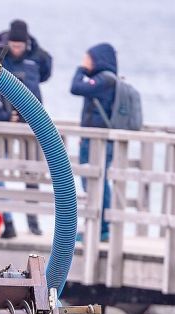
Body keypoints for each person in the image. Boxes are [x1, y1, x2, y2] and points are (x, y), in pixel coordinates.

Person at [0, 21, 49, 237]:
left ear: (27, 43)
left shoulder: (37, 57)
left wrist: (36, 47)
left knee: (31, 173)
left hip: (32, 120)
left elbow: (47, 72)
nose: (16, 49)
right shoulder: (0, 54)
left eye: (20, 45)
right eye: (13, 44)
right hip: (7, 120)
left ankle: (34, 223)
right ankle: (8, 221)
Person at [70, 43, 117, 241]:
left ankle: (102, 227)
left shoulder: (104, 80)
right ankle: (98, 225)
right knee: (94, 181)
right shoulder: (104, 80)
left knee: (97, 181)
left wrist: (80, 69)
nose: (85, 62)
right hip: (92, 139)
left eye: (88, 58)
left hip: (98, 141)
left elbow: (75, 87)